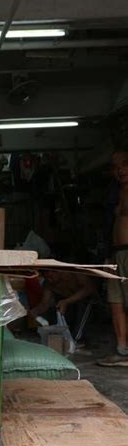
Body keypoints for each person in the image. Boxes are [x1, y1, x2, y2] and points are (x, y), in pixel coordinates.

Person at [98, 151, 128, 366]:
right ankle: (122, 350)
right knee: (115, 301)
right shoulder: (117, 193)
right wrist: (108, 254)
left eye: (125, 164)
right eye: (116, 167)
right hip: (117, 252)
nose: (120, 170)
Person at [29, 269, 97, 338]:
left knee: (83, 306)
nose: (49, 280)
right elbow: (45, 304)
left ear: (58, 272)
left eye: (50, 277)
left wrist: (67, 301)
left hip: (85, 299)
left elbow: (89, 288)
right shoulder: (48, 284)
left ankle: (78, 339)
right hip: (65, 301)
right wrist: (35, 311)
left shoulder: (75, 274)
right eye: (46, 278)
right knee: (55, 310)